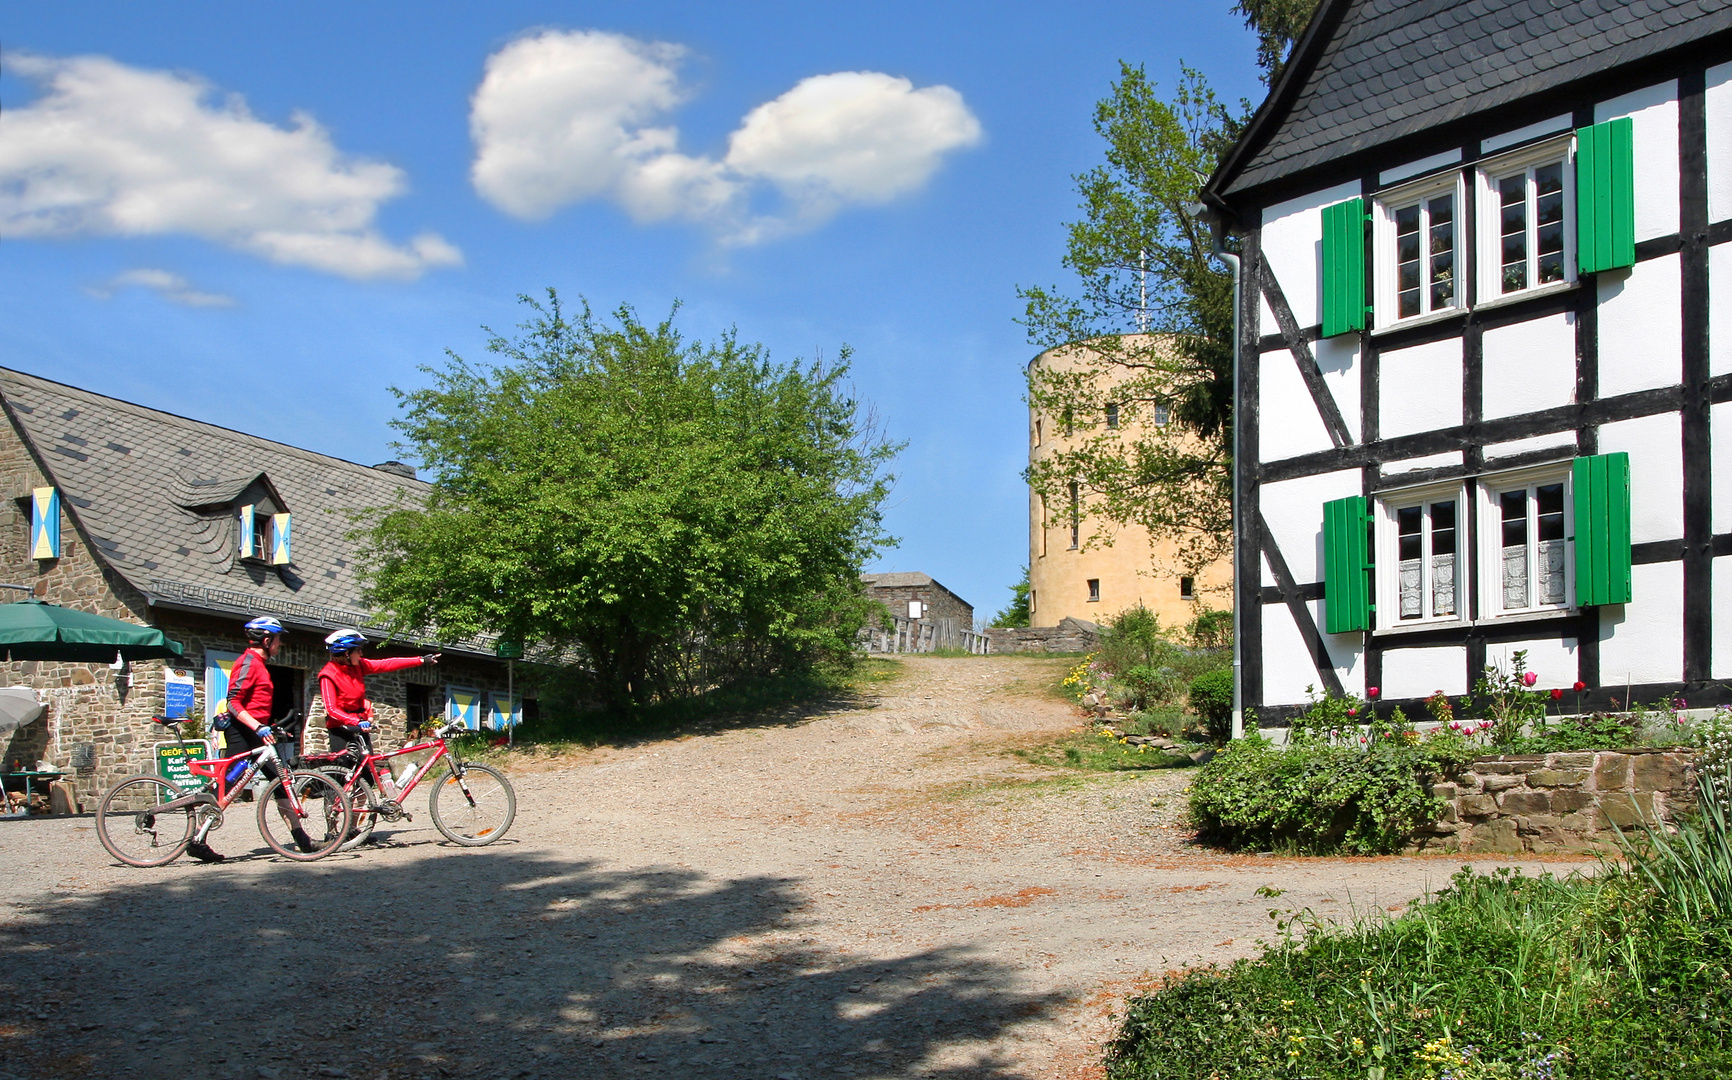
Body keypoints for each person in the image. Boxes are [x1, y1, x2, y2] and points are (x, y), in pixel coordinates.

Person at [191, 615, 314, 862]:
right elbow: (234, 703)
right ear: (267, 640)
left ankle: (302, 840)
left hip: (256, 734)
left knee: (281, 779)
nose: (280, 645)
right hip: (242, 733)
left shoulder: (259, 664)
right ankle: (196, 838)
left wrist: (268, 727)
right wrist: (258, 727)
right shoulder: (247, 662)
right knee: (228, 787)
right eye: (278, 640)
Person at [318, 629, 439, 797]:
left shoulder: (358, 666)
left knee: (367, 777)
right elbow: (331, 709)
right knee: (343, 777)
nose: (361, 653)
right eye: (358, 650)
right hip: (341, 730)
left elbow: (386, 664)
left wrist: (420, 660)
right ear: (346, 653)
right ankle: (338, 813)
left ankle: (358, 817)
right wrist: (355, 722)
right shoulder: (328, 675)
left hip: (360, 727)